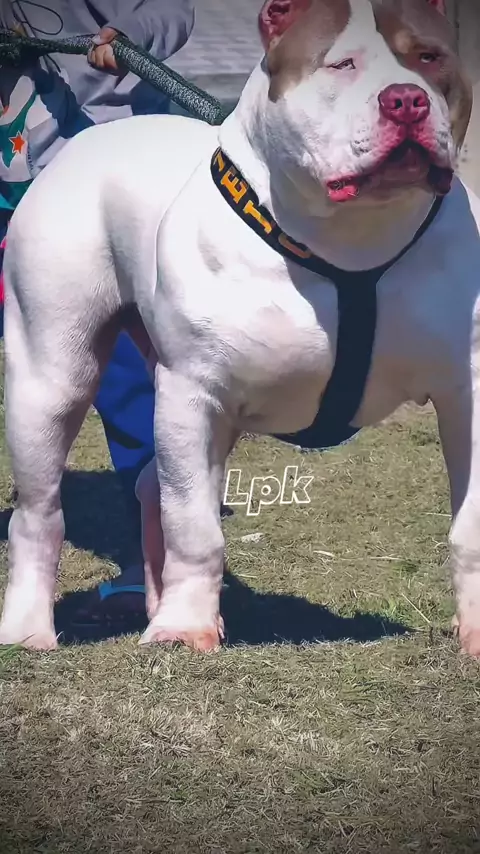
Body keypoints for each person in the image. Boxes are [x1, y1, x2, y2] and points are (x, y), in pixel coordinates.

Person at [0, 0, 194, 620]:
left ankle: (154, 555)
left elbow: (172, 8)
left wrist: (127, 36)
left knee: (122, 371)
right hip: (12, 169)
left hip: (102, 173)